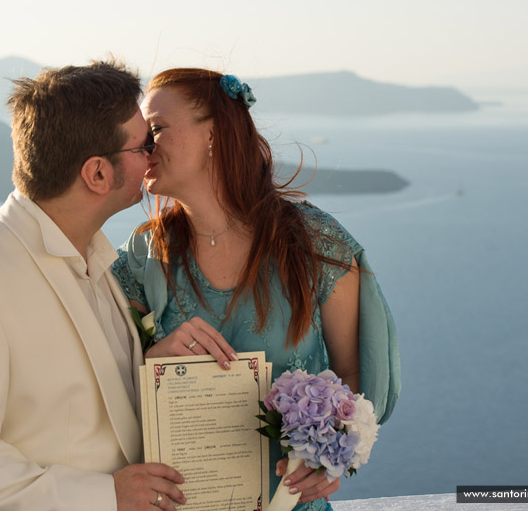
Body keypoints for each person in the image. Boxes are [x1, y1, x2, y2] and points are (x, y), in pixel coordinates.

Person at [112, 68, 401, 511]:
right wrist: (151, 363)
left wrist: (329, 460)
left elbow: (356, 380)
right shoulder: (142, 256)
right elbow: (101, 388)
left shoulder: (315, 244)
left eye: (156, 129)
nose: (143, 147)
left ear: (214, 133)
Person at [0, 61, 186, 511]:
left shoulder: (97, 259)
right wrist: (105, 496)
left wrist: (150, 368)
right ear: (97, 174)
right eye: (144, 144)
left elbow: (93, 412)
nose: (155, 153)